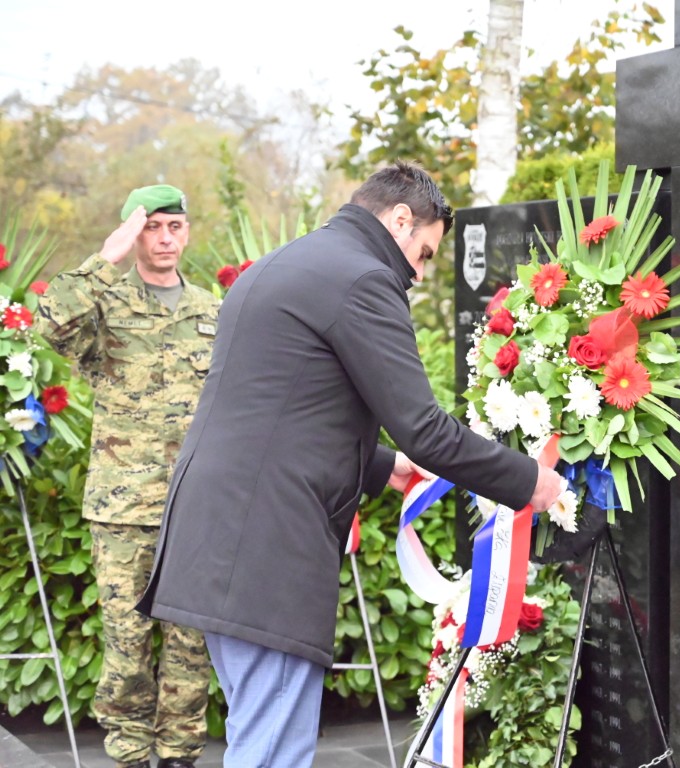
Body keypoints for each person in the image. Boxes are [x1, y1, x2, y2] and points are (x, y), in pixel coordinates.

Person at [137, 161, 564, 768]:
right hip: (266, 547)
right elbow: (424, 428)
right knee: (272, 750)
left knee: (258, 733)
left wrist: (381, 466)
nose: (418, 274)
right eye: (423, 254)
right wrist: (529, 481)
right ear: (399, 219)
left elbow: (283, 409)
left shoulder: (284, 264)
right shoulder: (363, 278)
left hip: (219, 533)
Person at [39, 185, 219, 768]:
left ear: (187, 231)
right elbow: (50, 320)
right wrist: (107, 256)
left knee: (191, 642)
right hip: (123, 507)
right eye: (151, 227)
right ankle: (130, 751)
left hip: (193, 505)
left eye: (174, 226)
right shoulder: (105, 306)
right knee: (126, 638)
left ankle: (180, 752)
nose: (164, 238)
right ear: (133, 233)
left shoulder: (212, 311)